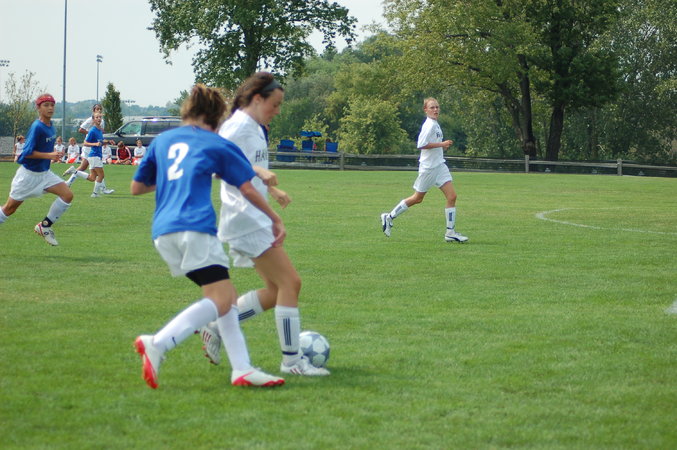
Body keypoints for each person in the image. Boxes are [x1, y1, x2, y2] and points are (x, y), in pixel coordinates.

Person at [131, 84, 285, 389]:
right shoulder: (216, 143)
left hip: (163, 232)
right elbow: (247, 188)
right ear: (216, 119)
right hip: (195, 227)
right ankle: (158, 343)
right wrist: (275, 218)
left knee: (224, 296)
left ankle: (241, 368)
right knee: (222, 298)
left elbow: (137, 187)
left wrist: (179, 176)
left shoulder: (162, 141)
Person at [199, 72, 329, 376]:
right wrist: (259, 173)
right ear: (257, 99)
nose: (278, 110)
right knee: (290, 283)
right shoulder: (237, 126)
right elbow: (215, 165)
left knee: (274, 291)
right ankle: (292, 362)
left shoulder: (255, 127)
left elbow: (244, 167)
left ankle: (216, 326)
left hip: (252, 215)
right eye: (275, 104)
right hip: (245, 216)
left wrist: (271, 188)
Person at [380, 97, 469, 243]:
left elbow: (432, 144)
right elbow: (421, 144)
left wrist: (442, 146)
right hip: (429, 168)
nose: (435, 110)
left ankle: (450, 232)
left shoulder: (435, 124)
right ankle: (389, 216)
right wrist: (442, 144)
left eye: (437, 107)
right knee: (417, 198)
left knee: (452, 197)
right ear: (425, 110)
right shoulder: (429, 125)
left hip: (439, 166)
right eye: (432, 107)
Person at [0, 94, 73, 246]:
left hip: (45, 174)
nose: (50, 108)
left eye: (52, 105)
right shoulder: (37, 127)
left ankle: (44, 226)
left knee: (67, 195)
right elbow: (27, 153)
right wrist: (49, 155)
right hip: (28, 176)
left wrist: (53, 155)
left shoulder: (51, 125)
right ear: (38, 108)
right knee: (9, 209)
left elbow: (44, 149)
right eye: (46, 105)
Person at [65, 113, 114, 197]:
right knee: (101, 175)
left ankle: (75, 171)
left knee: (92, 178)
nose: (99, 119)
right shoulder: (92, 130)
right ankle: (95, 193)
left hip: (94, 156)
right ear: (93, 119)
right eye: (97, 117)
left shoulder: (99, 130)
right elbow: (85, 143)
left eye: (100, 117)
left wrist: (108, 141)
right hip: (95, 155)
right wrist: (95, 144)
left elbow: (101, 141)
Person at [63, 104, 105, 178]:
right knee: (87, 169)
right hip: (89, 147)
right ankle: (71, 176)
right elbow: (81, 129)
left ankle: (70, 177)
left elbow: (101, 132)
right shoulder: (90, 120)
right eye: (97, 109)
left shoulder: (102, 121)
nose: (99, 110)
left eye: (100, 109)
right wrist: (90, 133)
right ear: (93, 111)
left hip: (96, 147)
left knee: (91, 172)